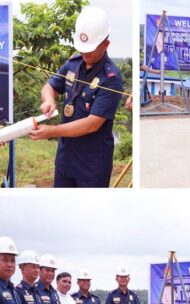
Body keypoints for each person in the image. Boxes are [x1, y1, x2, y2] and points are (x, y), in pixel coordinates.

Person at [28, 6, 124, 187]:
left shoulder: (111, 78)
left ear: (105, 44)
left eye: (90, 49)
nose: (85, 53)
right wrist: (49, 100)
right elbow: (49, 86)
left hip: (92, 165)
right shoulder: (73, 63)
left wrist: (51, 131)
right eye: (82, 48)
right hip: (66, 157)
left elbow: (92, 124)